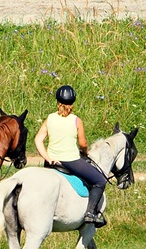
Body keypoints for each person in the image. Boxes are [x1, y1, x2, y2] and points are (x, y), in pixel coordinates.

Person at [34, 85, 107, 226]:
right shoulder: (76, 120)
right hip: (71, 161)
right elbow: (83, 143)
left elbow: (38, 140)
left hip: (52, 162)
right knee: (100, 181)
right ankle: (90, 213)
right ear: (72, 103)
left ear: (57, 101)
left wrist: (48, 158)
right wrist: (85, 152)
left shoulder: (50, 118)